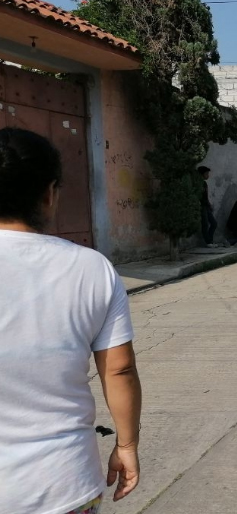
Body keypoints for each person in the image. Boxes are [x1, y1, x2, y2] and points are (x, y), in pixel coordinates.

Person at [0, 128, 143, 513]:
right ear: (49, 194)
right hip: (63, 482)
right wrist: (126, 445)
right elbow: (119, 369)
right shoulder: (91, 268)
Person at [197, 165, 216, 246]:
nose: (208, 175)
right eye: (206, 173)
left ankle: (210, 241)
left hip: (206, 205)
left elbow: (206, 196)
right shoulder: (197, 183)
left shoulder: (204, 183)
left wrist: (209, 204)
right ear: (202, 174)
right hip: (201, 206)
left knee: (214, 223)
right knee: (205, 224)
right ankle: (208, 242)